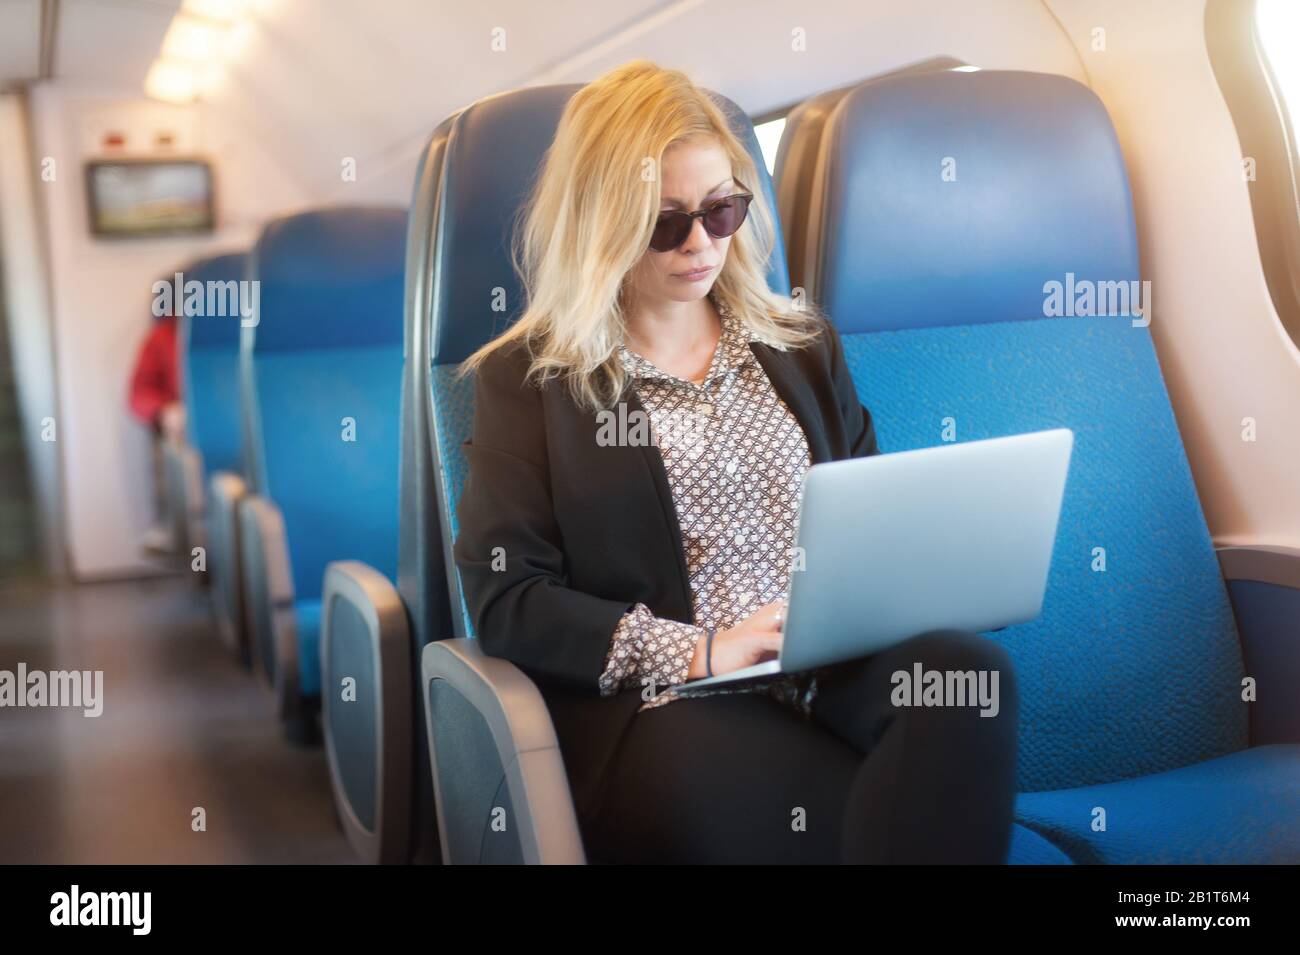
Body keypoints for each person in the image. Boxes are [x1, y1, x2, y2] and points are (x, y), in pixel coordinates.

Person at [455, 61, 1019, 863]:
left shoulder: (799, 345)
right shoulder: (532, 382)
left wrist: (928, 581)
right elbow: (510, 598)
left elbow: (867, 511)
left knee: (971, 677)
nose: (701, 243)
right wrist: (703, 650)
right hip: (671, 700)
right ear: (601, 223)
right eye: (666, 222)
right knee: (846, 817)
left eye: (723, 211)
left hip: (829, 661)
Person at [128, 303, 185, 554]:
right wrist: (165, 411)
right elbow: (138, 395)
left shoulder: (249, 328)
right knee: (169, 441)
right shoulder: (163, 336)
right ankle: (169, 522)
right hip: (182, 427)